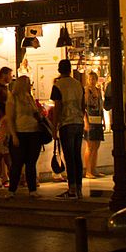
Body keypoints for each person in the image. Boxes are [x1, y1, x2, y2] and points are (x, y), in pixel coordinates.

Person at [50, 59, 85, 199]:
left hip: (66, 123)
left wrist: (54, 126)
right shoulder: (78, 84)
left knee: (69, 156)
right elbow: (83, 105)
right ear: (70, 69)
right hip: (78, 122)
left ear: (59, 70)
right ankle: (80, 188)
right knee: (77, 156)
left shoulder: (58, 86)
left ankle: (72, 189)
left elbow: (57, 108)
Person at [6, 75, 44, 198]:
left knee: (31, 163)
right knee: (17, 163)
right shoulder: (13, 98)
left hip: (33, 132)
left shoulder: (30, 98)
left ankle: (32, 189)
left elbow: (36, 114)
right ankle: (12, 189)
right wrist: (14, 135)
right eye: (28, 83)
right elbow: (10, 118)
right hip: (20, 132)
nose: (30, 85)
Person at [82, 71, 105, 178]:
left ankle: (94, 169)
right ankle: (88, 170)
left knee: (96, 145)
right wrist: (85, 121)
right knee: (90, 145)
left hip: (98, 119)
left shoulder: (99, 91)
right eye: (90, 79)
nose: (92, 81)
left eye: (93, 79)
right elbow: (84, 107)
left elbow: (101, 105)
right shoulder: (86, 91)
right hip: (90, 118)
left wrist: (103, 119)